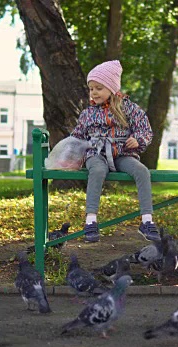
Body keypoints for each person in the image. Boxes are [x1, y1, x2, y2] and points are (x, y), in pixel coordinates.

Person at [71, 60, 160, 243]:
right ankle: (91, 220)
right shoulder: (88, 113)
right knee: (97, 171)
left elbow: (145, 129)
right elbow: (77, 136)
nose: (94, 92)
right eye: (91, 88)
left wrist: (138, 139)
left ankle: (147, 220)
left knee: (142, 171)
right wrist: (71, 154)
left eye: (98, 88)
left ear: (111, 88)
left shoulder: (129, 109)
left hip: (123, 153)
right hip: (96, 153)